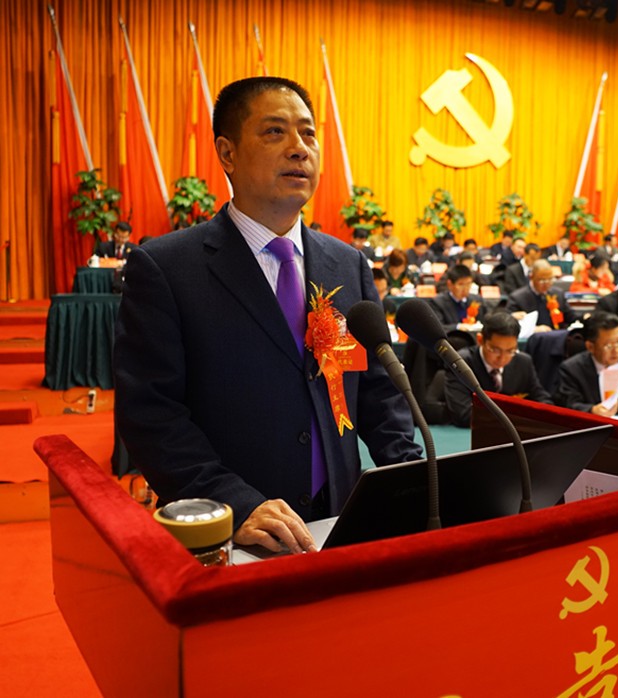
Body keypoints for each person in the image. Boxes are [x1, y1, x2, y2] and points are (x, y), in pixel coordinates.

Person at [114, 76, 421, 555]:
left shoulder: (347, 264)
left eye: (308, 133)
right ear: (227, 153)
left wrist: (416, 478)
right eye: (275, 131)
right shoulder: (168, 268)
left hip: (337, 522)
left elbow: (378, 395)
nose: (300, 148)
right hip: (236, 536)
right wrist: (236, 504)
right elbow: (151, 415)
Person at [443, 312, 552, 427]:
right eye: (495, 350)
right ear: (480, 340)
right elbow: (464, 414)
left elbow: (543, 399)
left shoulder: (524, 362)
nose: (502, 358)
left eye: (510, 351)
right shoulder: (461, 364)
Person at [506, 259, 579, 331]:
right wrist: (533, 329)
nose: (546, 284)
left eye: (550, 279)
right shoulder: (518, 298)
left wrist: (583, 317)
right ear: (531, 277)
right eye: (542, 280)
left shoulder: (558, 294)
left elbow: (571, 317)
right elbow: (508, 323)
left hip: (558, 334)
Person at [428, 264, 488, 331]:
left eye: (468, 284)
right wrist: (458, 327)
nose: (465, 289)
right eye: (461, 284)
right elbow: (437, 328)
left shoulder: (477, 300)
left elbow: (487, 322)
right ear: (450, 284)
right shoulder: (438, 302)